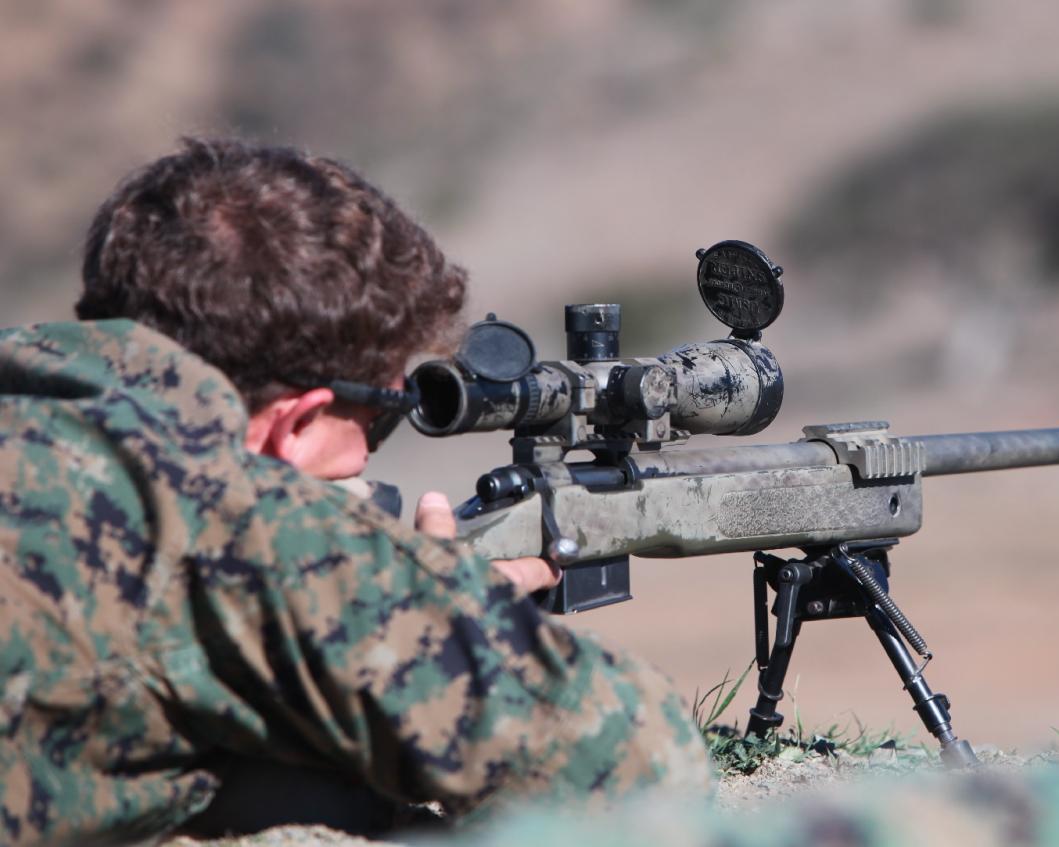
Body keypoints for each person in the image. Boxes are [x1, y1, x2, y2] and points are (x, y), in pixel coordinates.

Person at [0, 138, 712, 844]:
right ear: (299, 421)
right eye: (379, 419)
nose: (372, 452)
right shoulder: (230, 519)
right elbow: (641, 764)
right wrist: (439, 607)